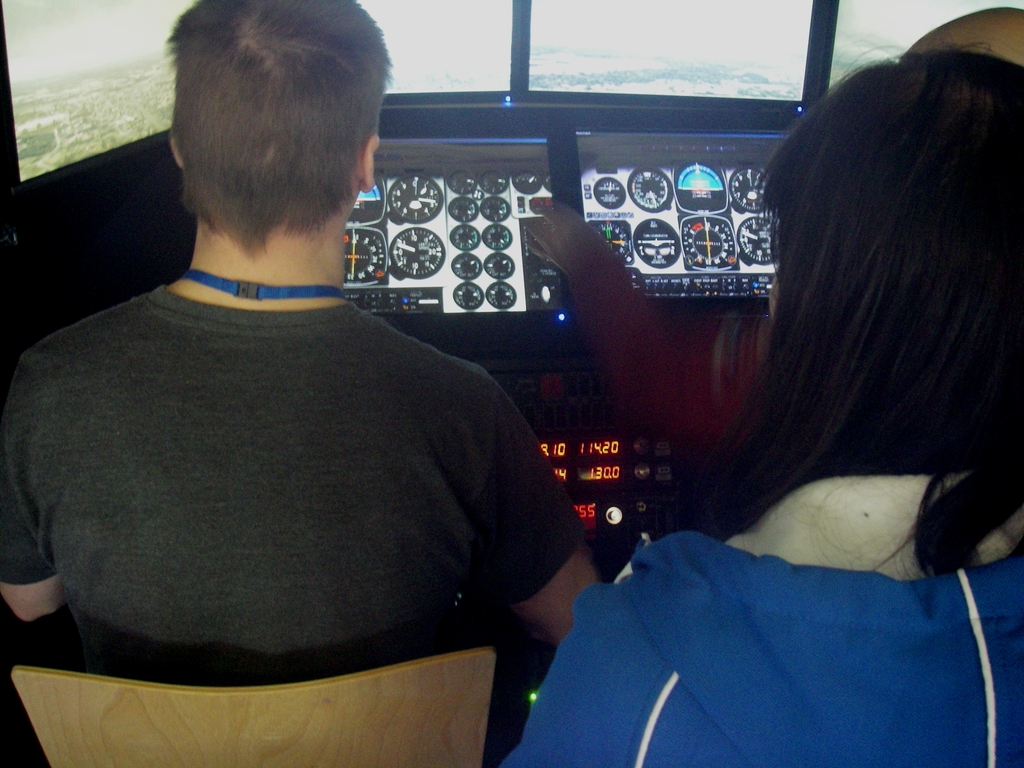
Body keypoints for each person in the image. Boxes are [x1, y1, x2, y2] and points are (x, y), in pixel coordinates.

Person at [0, 0, 596, 687]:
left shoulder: (50, 384)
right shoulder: (464, 408)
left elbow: (29, 599)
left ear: (180, 149)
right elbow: (574, 621)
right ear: (366, 164)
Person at [503, 49, 1024, 767]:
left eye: (790, 262)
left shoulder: (632, 672)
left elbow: (662, 377)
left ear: (817, 306)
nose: (770, 295)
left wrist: (587, 260)